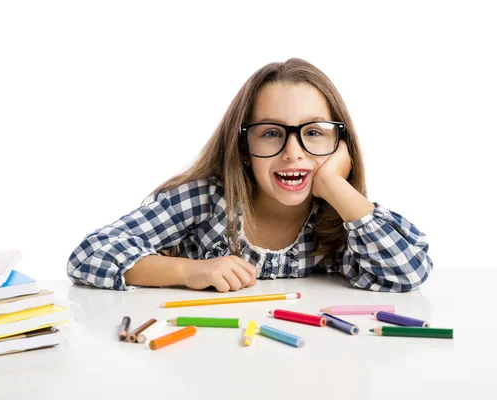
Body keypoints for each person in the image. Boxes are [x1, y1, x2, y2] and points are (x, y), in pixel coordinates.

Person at [66, 58, 433, 293]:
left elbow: (409, 272)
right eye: (272, 133)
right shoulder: (206, 200)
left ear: (341, 145)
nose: (293, 152)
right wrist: (190, 271)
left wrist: (335, 186)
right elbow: (88, 254)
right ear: (244, 148)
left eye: (314, 132)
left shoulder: (337, 219)